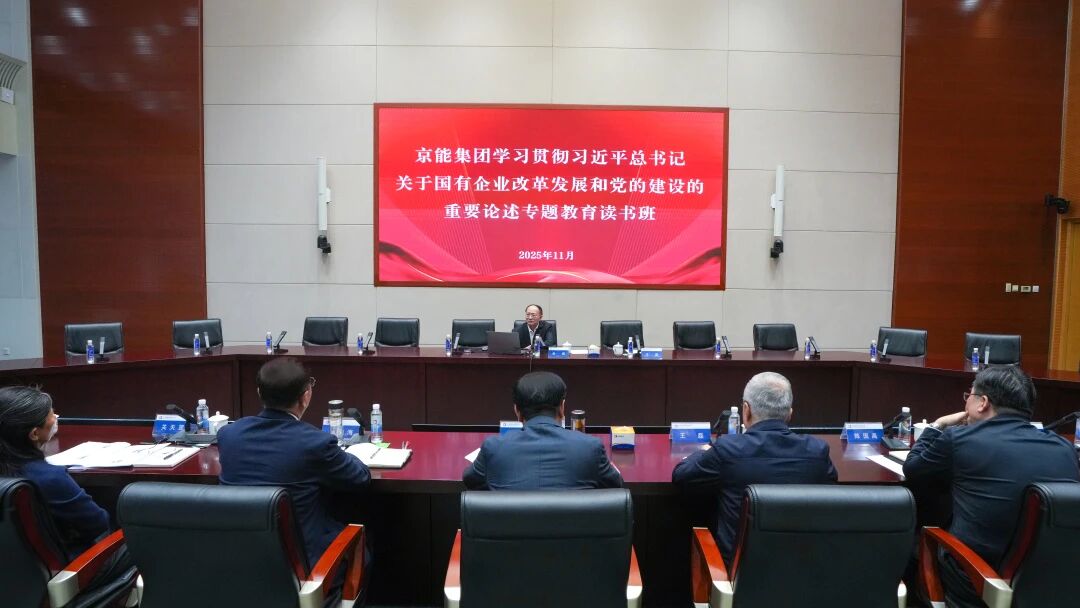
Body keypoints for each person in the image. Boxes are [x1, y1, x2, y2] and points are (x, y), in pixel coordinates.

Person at [904, 365, 1080, 608]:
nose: (966, 402)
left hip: (977, 582)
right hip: (1049, 586)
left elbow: (913, 470)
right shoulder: (1064, 449)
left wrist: (937, 425)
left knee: (915, 541)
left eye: (969, 396)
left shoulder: (960, 440)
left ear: (983, 403)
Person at [217, 357, 371, 573]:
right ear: (305, 396)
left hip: (239, 562)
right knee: (363, 547)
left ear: (260, 393)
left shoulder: (229, 435)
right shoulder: (315, 443)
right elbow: (360, 478)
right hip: (303, 569)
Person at [671, 371, 838, 565]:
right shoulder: (817, 451)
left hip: (739, 575)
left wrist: (705, 451)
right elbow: (831, 488)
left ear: (746, 410)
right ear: (790, 413)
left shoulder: (728, 450)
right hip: (803, 570)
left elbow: (681, 476)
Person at [0, 385, 135, 598]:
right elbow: (98, 524)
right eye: (51, 414)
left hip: (11, 580)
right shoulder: (49, 477)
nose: (56, 417)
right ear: (34, 433)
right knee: (142, 538)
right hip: (63, 575)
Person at [463, 371, 622, 490]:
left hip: (513, 526)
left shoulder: (493, 447)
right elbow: (616, 485)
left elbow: (470, 480)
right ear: (562, 408)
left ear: (517, 411)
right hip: (572, 526)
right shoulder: (590, 447)